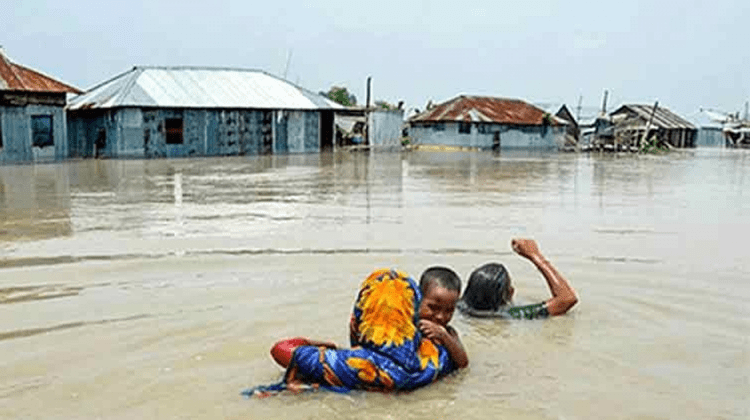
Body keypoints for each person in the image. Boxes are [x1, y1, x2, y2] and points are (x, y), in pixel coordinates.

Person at [244, 267, 466, 397]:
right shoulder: (438, 355)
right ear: (412, 305)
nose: (440, 317)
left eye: (448, 311)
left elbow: (281, 349)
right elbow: (462, 362)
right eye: (432, 308)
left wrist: (321, 344)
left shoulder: (353, 363)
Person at [458, 238, 578, 319]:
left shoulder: (455, 307)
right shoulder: (510, 315)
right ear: (509, 294)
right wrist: (535, 255)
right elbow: (567, 299)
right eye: (509, 287)